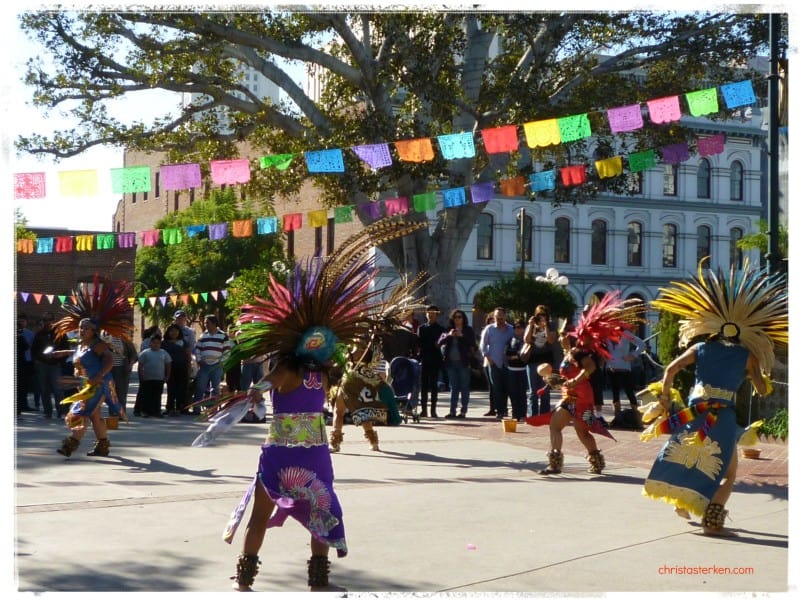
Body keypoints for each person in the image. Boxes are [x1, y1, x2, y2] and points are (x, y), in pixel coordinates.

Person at [217, 219, 427, 591]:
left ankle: (250, 578)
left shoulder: (304, 371)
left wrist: (255, 391)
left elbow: (272, 381)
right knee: (314, 515)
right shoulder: (309, 371)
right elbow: (268, 382)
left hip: (289, 455)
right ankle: (303, 578)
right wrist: (252, 392)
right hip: (305, 456)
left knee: (285, 517)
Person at [642, 260, 787, 536]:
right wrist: (757, 379)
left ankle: (681, 504)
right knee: (728, 472)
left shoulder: (701, 347)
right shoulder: (748, 355)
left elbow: (671, 369)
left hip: (694, 412)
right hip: (724, 418)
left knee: (682, 456)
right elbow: (762, 388)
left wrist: (663, 398)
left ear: (714, 327)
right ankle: (712, 517)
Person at [536, 292, 644, 475]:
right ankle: (595, 461)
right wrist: (559, 376)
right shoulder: (574, 351)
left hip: (576, 397)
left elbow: (590, 368)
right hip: (578, 396)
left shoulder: (582, 352)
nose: (564, 336)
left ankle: (556, 464)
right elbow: (575, 368)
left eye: (565, 335)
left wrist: (573, 381)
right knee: (582, 431)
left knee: (558, 426)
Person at [52, 276, 134, 458]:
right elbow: (83, 356)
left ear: (94, 331)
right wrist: (64, 353)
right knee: (95, 415)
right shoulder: (82, 344)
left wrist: (99, 376)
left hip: (98, 384)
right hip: (86, 384)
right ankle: (102, 447)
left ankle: (70, 444)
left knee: (81, 412)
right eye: (81, 327)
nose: (82, 330)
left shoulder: (98, 344)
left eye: (86, 328)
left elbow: (109, 361)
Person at [31, 311, 70, 419]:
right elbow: (33, 349)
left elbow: (66, 348)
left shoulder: (60, 333)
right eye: (45, 320)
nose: (47, 322)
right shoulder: (39, 334)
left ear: (54, 320)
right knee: (44, 390)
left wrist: (60, 359)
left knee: (58, 389)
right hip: (42, 364)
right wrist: (36, 360)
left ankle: (61, 411)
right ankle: (47, 412)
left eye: (50, 319)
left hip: (55, 365)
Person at [438, 309, 476, 419]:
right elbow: (439, 343)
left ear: (463, 318)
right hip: (451, 363)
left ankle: (463, 411)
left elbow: (473, 344)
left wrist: (462, 336)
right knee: (453, 387)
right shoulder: (448, 330)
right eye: (455, 317)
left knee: (464, 387)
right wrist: (449, 335)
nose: (457, 319)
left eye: (460, 317)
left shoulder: (468, 330)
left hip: (463, 362)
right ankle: (452, 411)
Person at [479, 307, 515, 420]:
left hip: (508, 363)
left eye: (501, 316)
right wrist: (487, 357)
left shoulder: (511, 329)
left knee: (508, 388)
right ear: (494, 317)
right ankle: (499, 411)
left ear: (505, 316)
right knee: (496, 388)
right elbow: (482, 345)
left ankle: (506, 410)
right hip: (494, 362)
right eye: (497, 316)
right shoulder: (489, 329)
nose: (499, 318)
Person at [523, 305, 558, 416]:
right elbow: (527, 340)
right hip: (532, 360)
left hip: (546, 361)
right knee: (533, 391)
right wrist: (531, 325)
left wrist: (546, 326)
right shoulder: (532, 325)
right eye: (539, 315)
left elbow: (551, 340)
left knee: (545, 391)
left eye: (544, 315)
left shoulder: (551, 325)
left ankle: (544, 415)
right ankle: (532, 415)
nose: (541, 317)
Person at [193, 314, 233, 409]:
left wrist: (222, 361)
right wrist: (199, 360)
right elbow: (197, 349)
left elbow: (227, 350)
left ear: (214, 323)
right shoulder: (203, 336)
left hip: (217, 366)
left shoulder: (223, 336)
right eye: (205, 323)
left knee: (215, 389)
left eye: (208, 323)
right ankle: (197, 408)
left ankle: (213, 408)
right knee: (200, 387)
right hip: (204, 365)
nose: (205, 324)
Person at [606, 332, 645, 428]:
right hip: (611, 368)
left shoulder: (625, 334)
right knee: (615, 393)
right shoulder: (606, 333)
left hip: (624, 368)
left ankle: (637, 419)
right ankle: (617, 418)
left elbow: (641, 344)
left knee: (629, 392)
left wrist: (633, 355)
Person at [417, 305, 445, 418]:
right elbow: (419, 343)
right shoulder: (421, 328)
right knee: (423, 386)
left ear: (437, 315)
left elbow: (441, 344)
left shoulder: (440, 329)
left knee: (434, 386)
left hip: (435, 359)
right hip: (424, 359)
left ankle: (433, 410)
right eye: (428, 312)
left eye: (433, 312)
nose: (430, 314)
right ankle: (424, 410)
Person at [161, 324, 191, 416]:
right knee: (171, 389)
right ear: (168, 332)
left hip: (182, 368)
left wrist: (189, 368)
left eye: (176, 331)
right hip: (169, 369)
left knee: (182, 389)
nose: (174, 333)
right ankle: (169, 408)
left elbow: (188, 356)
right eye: (171, 331)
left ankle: (180, 408)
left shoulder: (183, 342)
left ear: (179, 332)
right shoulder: (164, 343)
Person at [506, 320, 529, 421]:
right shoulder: (511, 339)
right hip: (512, 369)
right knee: (513, 393)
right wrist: (517, 356)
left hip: (523, 369)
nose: (517, 329)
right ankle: (515, 414)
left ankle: (523, 414)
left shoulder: (526, 340)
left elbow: (525, 355)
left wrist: (517, 356)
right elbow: (507, 354)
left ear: (524, 328)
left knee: (522, 393)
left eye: (520, 327)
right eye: (515, 327)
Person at [17, 313, 36, 414]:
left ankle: (24, 404)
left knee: (24, 385)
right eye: (19, 322)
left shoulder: (30, 334)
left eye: (23, 321)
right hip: (18, 360)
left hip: (27, 361)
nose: (21, 324)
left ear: (26, 322)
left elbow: (31, 347)